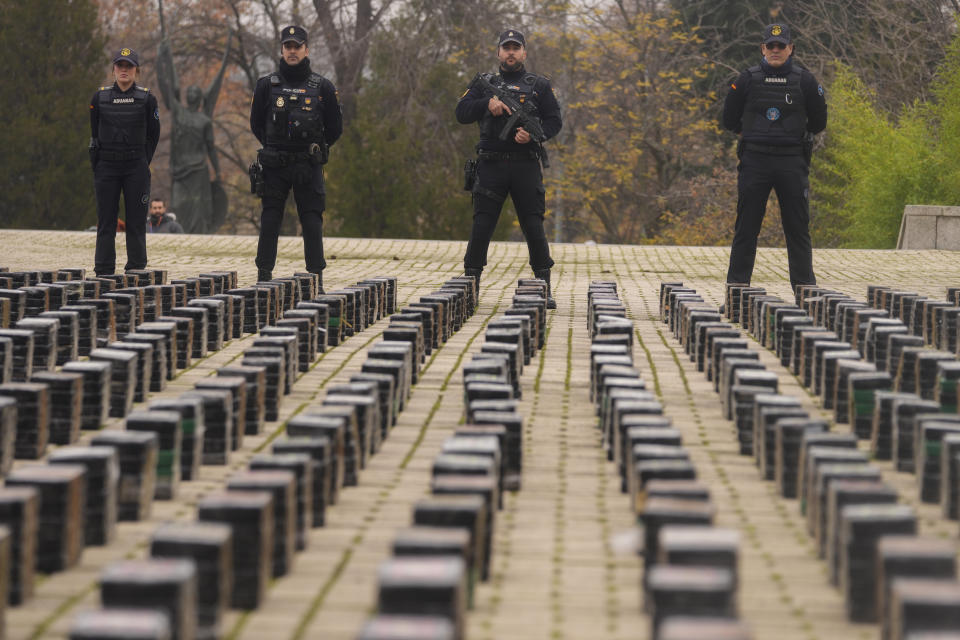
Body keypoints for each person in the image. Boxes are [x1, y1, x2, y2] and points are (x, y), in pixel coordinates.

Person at [456, 29, 562, 308]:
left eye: (516, 48)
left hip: (525, 165)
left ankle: (543, 286)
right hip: (491, 165)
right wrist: (486, 105)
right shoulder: (484, 84)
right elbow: (461, 112)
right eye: (506, 48)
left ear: (524, 53)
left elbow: (554, 121)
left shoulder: (539, 85)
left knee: (533, 225)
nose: (511, 52)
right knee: (482, 225)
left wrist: (535, 136)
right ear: (498, 52)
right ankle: (470, 286)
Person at [721, 23, 827, 294]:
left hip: (792, 162)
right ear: (763, 49)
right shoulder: (746, 79)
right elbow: (728, 118)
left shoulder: (805, 80)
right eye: (771, 46)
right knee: (746, 228)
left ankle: (806, 293)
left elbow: (818, 121)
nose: (776, 50)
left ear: (791, 49)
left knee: (798, 229)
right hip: (755, 162)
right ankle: (736, 293)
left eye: (781, 46)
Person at [250, 25, 342, 289]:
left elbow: (335, 128)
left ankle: (316, 279)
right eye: (288, 46)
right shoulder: (267, 85)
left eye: (297, 46)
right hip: (274, 165)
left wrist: (316, 151)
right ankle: (263, 277)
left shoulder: (322, 86)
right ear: (281, 49)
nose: (292, 51)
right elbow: (256, 123)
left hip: (307, 165)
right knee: (269, 220)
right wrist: (273, 149)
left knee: (312, 221)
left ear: (306, 50)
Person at [89, 48, 160, 277]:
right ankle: (104, 270)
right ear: (113, 69)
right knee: (106, 221)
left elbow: (153, 135)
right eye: (120, 66)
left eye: (128, 66)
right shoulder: (99, 98)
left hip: (135, 167)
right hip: (107, 167)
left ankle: (136, 269)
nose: (124, 70)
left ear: (136, 71)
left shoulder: (147, 99)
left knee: (136, 222)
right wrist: (100, 163)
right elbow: (94, 132)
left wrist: (142, 160)